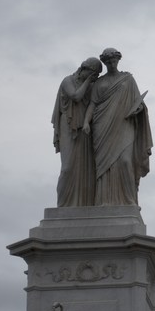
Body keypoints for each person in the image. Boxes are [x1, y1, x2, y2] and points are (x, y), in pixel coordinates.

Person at [83, 48, 152, 206]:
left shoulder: (127, 80)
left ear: (118, 60)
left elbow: (138, 102)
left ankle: (129, 201)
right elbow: (92, 104)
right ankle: (104, 201)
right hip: (102, 126)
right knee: (104, 166)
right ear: (105, 63)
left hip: (124, 124)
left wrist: (139, 109)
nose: (111, 64)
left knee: (125, 161)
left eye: (114, 60)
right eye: (108, 62)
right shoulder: (99, 82)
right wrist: (86, 122)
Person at [52, 58, 103, 206]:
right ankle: (62, 205)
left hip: (84, 128)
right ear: (83, 69)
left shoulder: (92, 86)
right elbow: (75, 96)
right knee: (67, 168)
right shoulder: (67, 80)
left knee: (84, 169)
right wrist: (88, 81)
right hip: (68, 125)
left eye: (96, 75)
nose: (94, 77)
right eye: (93, 73)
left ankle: (82, 204)